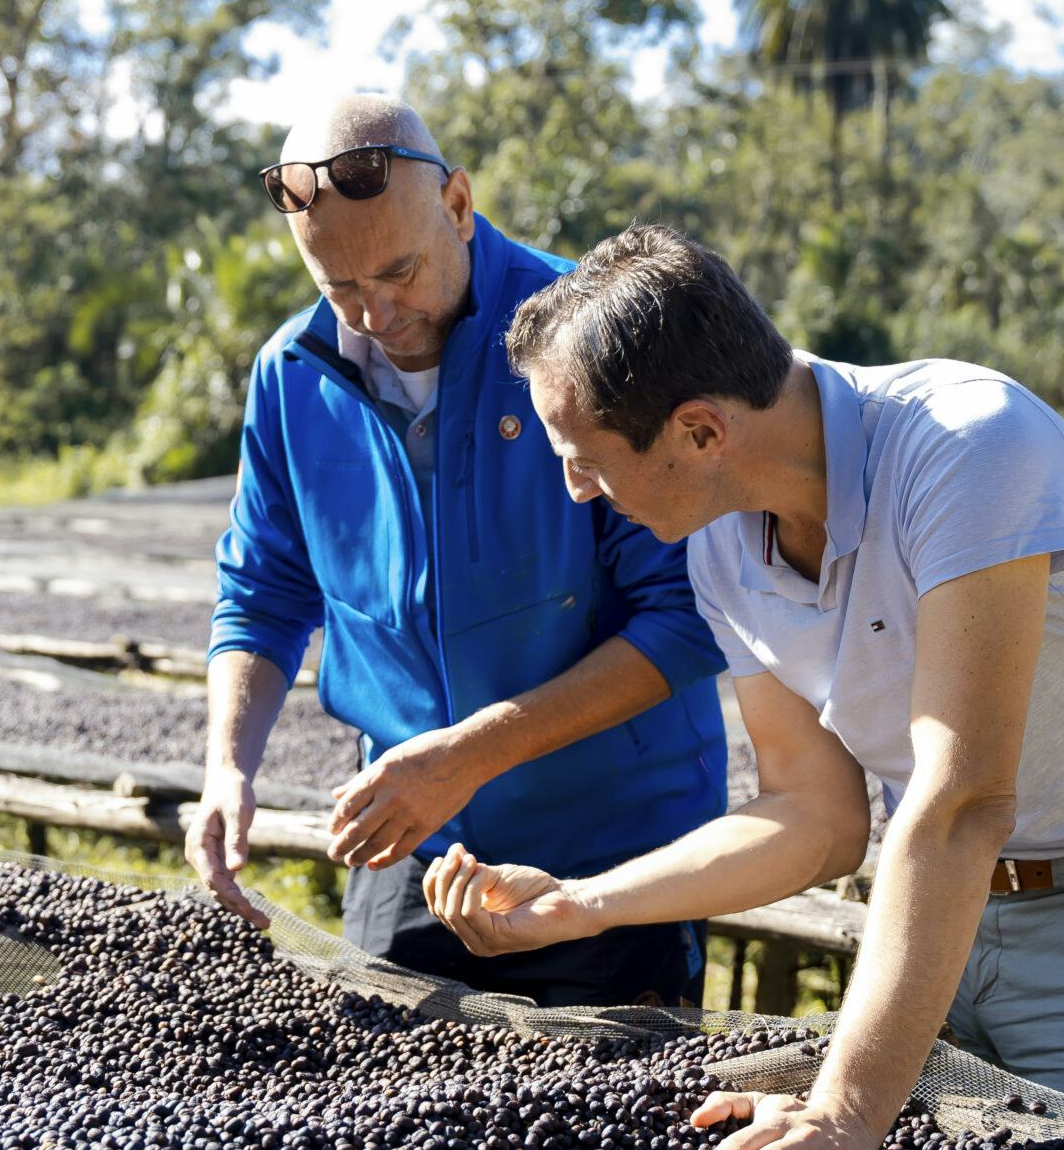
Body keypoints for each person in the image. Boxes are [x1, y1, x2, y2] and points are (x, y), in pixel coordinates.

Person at [426, 225, 1064, 1150]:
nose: (575, 487)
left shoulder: (966, 446)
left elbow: (960, 798)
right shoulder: (719, 548)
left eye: (586, 458)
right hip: (937, 934)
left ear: (700, 432)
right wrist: (579, 904)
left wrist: (844, 1108)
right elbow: (815, 817)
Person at [192, 100, 729, 1007]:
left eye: (399, 270)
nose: (377, 312)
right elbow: (263, 592)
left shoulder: (595, 343)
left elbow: (685, 619)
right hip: (416, 844)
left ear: (459, 203)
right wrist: (227, 765)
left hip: (618, 853)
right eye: (339, 288)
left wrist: (469, 756)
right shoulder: (291, 376)